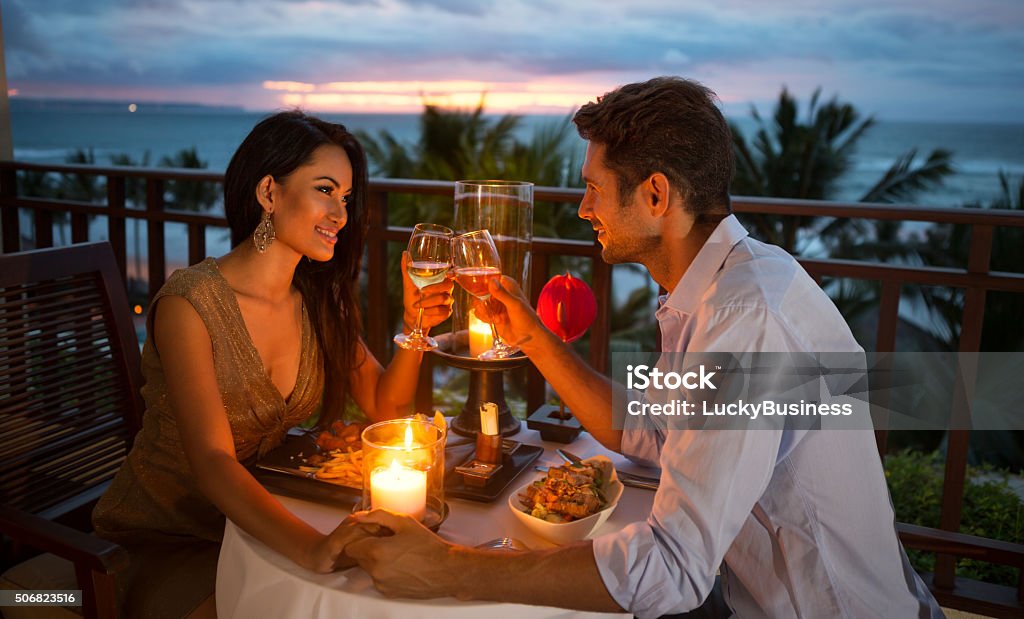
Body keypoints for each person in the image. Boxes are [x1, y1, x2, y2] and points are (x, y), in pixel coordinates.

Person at [345, 78, 943, 618]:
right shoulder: (723, 284)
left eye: (594, 190)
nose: (583, 210)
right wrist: (532, 335)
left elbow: (672, 569)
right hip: (748, 594)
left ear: (656, 195)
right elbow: (651, 434)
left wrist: (450, 568)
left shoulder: (744, 322)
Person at [92, 111, 453, 618]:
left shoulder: (318, 298)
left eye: (346, 199)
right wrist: (312, 547)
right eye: (325, 190)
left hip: (257, 524)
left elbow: (385, 406)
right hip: (163, 537)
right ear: (269, 193)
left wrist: (416, 327)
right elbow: (213, 461)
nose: (341, 215)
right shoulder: (190, 305)